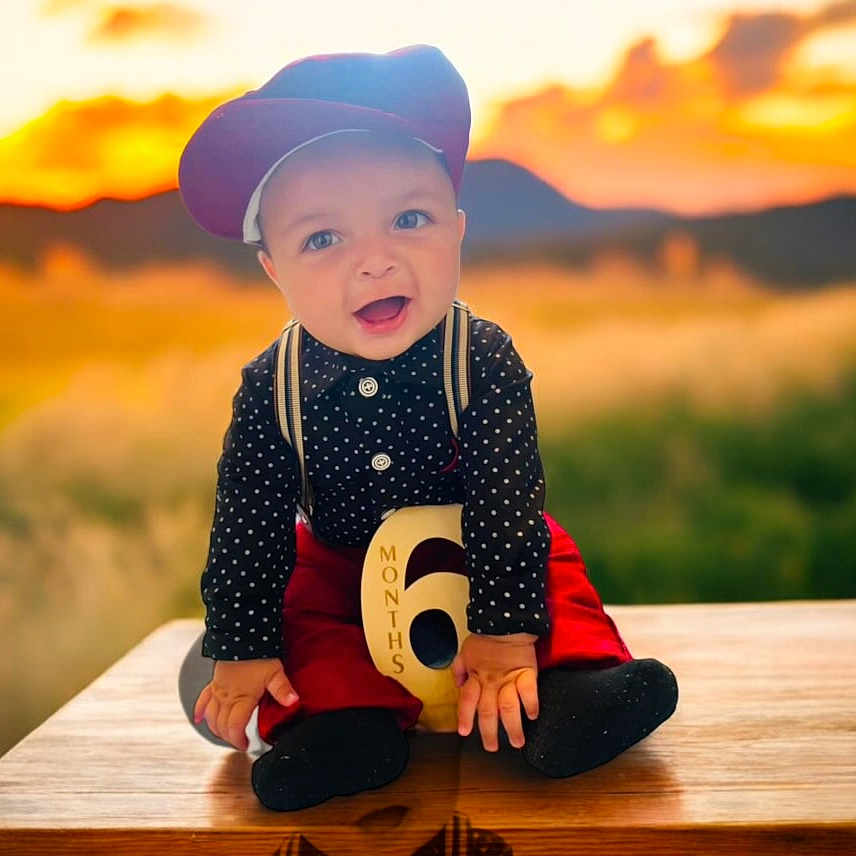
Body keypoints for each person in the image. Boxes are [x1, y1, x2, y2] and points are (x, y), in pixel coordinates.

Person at [176, 44, 678, 812]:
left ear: (456, 230)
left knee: (550, 559)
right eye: (323, 239)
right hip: (344, 560)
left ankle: (572, 686)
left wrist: (506, 630)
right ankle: (343, 725)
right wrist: (243, 644)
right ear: (273, 268)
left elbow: (506, 495)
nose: (376, 261)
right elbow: (250, 524)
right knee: (307, 614)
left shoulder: (479, 357)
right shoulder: (269, 389)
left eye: (409, 220)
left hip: (479, 542)